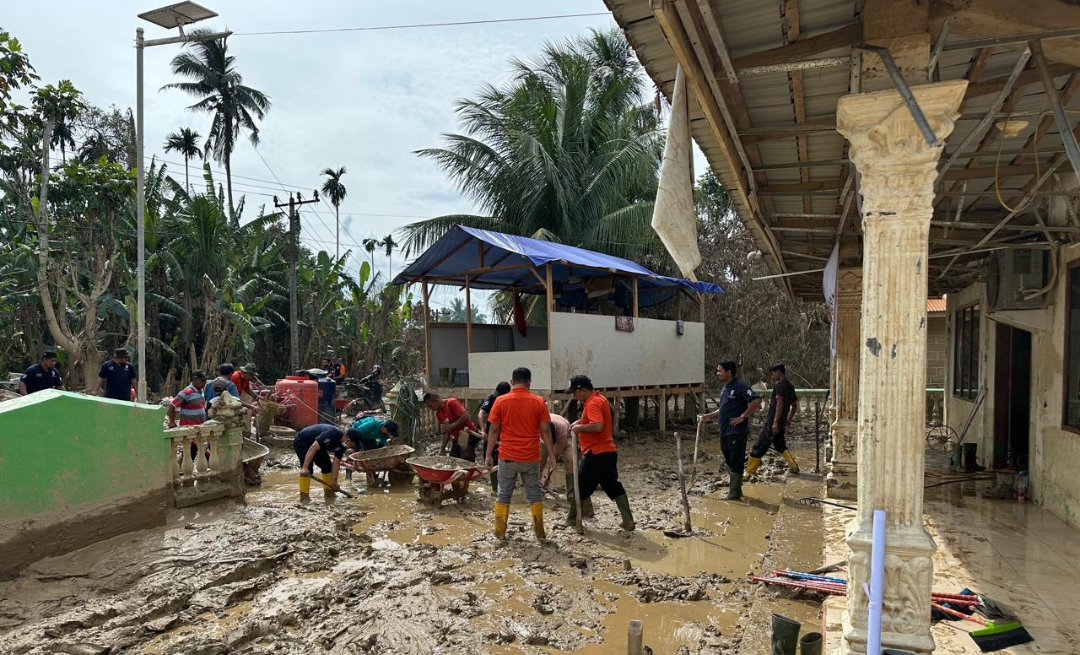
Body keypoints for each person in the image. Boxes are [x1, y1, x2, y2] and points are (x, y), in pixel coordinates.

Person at [484, 367, 556, 541]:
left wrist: (488, 455)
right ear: (529, 382)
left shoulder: (500, 401)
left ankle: (500, 533)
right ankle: (539, 533)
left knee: (503, 494)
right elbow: (546, 430)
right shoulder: (539, 402)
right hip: (530, 457)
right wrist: (551, 455)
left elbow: (493, 430)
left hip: (507, 456)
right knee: (534, 494)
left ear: (512, 382)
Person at [565, 376, 635, 530]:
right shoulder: (599, 399)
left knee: (580, 485)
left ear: (583, 390)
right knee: (612, 485)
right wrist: (580, 422)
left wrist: (579, 428)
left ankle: (572, 520)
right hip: (608, 451)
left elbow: (597, 426)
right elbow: (594, 421)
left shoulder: (593, 403)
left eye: (575, 393)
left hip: (596, 452)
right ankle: (628, 520)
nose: (574, 396)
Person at [698, 360, 761, 501]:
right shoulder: (725, 388)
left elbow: (756, 400)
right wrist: (708, 416)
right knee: (729, 460)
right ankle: (737, 490)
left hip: (736, 432)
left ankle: (734, 493)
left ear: (729, 372)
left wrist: (743, 416)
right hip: (725, 431)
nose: (717, 373)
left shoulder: (740, 386)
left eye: (720, 371)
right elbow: (723, 409)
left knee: (736, 461)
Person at [747, 363, 800, 476]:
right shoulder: (790, 386)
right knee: (780, 444)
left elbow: (780, 403)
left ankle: (750, 471)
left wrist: (775, 422)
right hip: (782, 422)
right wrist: (788, 419)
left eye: (773, 374)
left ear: (778, 373)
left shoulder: (778, 385)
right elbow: (795, 405)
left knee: (759, 445)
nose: (772, 377)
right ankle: (793, 465)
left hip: (773, 421)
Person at [294, 423, 356, 498]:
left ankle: (328, 492)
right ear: (348, 440)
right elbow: (313, 448)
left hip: (318, 446)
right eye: (352, 445)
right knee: (308, 469)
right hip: (303, 442)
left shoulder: (342, 445)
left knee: (327, 466)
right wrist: (304, 467)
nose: (350, 447)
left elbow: (336, 462)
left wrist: (334, 481)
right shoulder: (331, 433)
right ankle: (304, 496)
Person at [425, 392, 479, 461]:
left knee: (466, 459)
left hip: (468, 434)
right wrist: (442, 449)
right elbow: (446, 431)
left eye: (430, 406)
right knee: (453, 459)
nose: (431, 408)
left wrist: (451, 426)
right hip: (457, 437)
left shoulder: (451, 402)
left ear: (436, 401)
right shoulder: (438, 413)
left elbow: (465, 415)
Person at [478, 381, 512, 491]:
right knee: (489, 460)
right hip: (491, 436)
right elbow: (481, 413)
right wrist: (483, 430)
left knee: (504, 462)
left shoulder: (509, 402)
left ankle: (504, 487)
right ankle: (495, 488)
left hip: (505, 437)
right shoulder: (491, 398)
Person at [349, 416, 400, 485]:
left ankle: (371, 474)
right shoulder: (372, 424)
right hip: (357, 432)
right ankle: (349, 471)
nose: (390, 435)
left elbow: (380, 446)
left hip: (369, 437)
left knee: (372, 456)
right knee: (358, 452)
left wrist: (377, 455)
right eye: (390, 433)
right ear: (384, 428)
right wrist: (354, 448)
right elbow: (356, 433)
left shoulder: (385, 434)